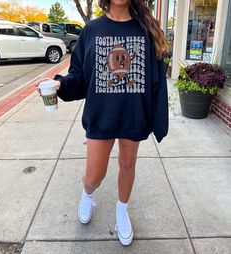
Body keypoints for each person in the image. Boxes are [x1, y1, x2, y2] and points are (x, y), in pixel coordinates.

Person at [38, 0, 169, 246]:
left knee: (127, 164)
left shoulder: (147, 29)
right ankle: (88, 194)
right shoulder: (92, 30)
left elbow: (157, 81)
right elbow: (79, 76)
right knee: (93, 176)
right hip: (101, 115)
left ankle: (122, 210)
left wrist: (157, 117)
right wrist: (60, 84)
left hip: (133, 115)